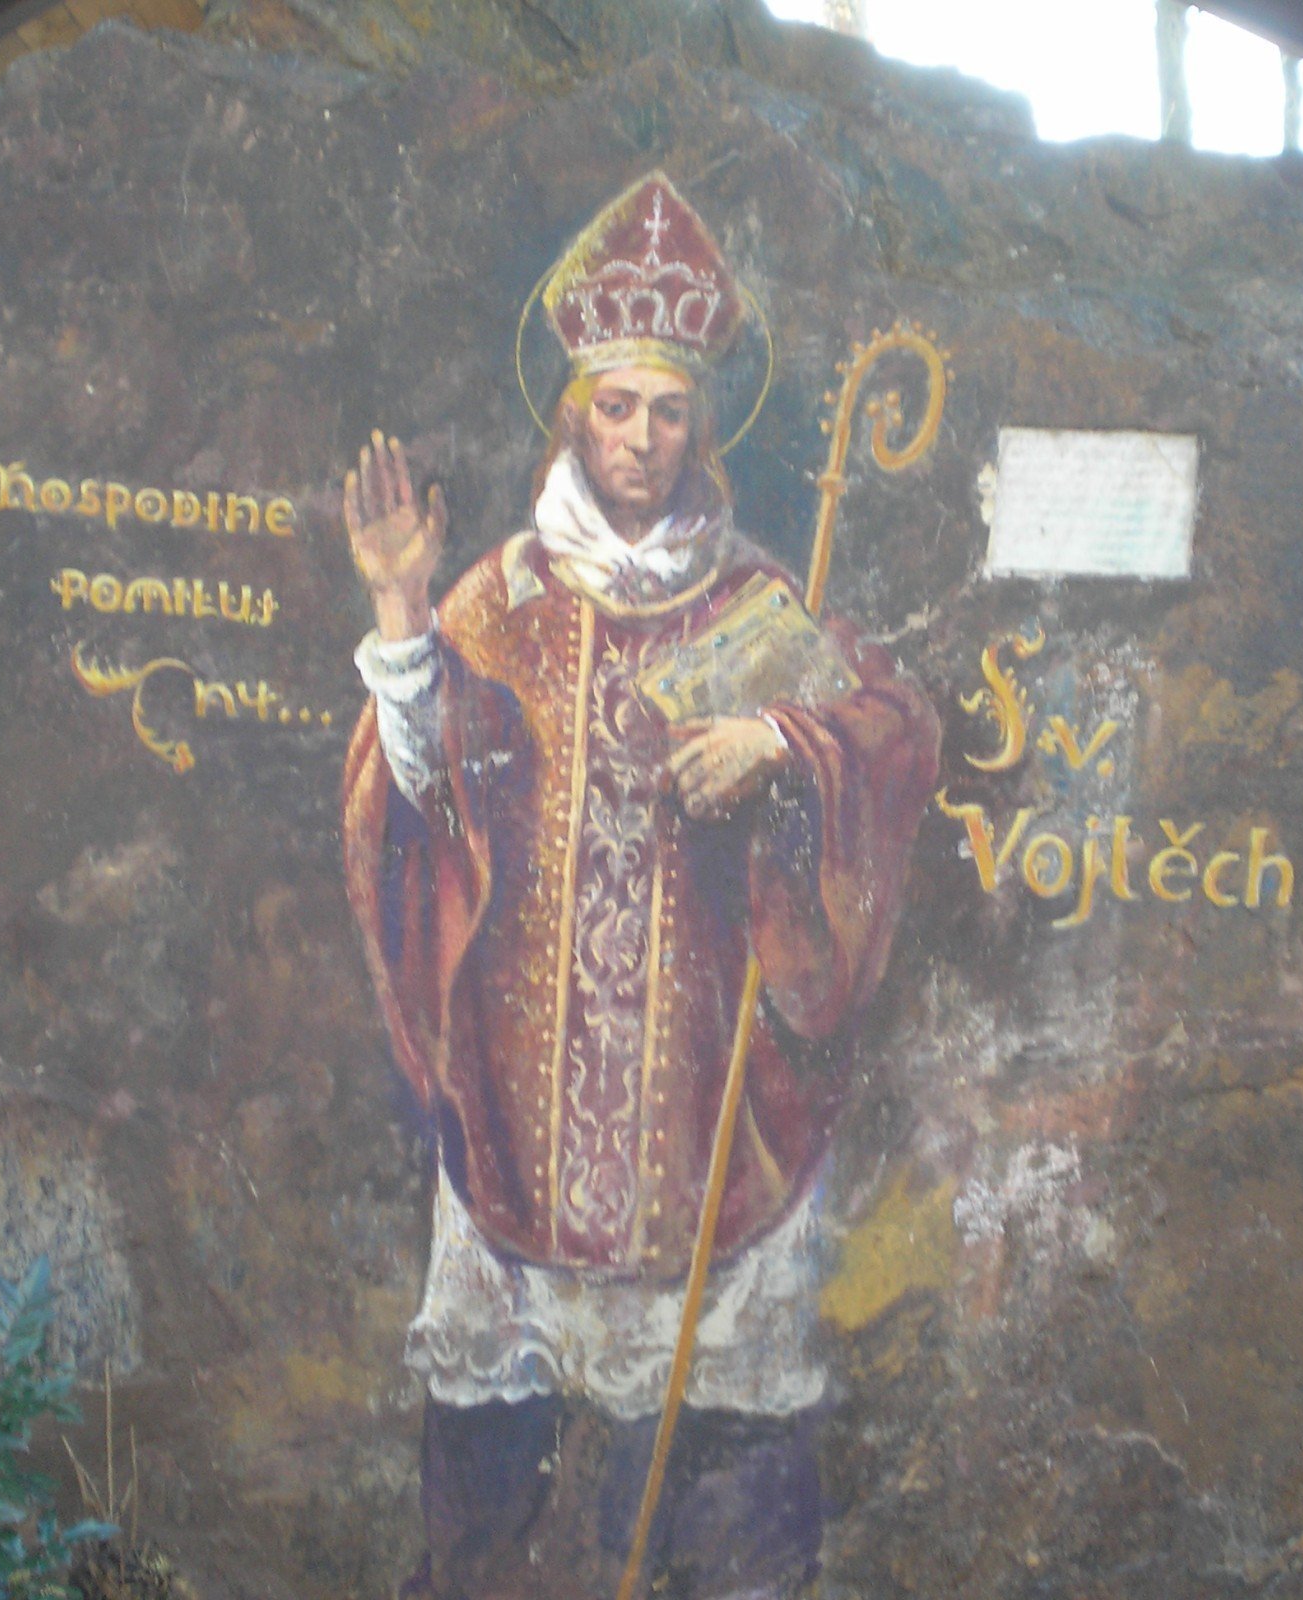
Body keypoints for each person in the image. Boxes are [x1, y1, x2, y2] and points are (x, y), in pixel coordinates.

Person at [340, 173, 940, 1600]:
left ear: (701, 424)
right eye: (615, 408)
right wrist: (399, 614)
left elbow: (896, 731)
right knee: (493, 1453)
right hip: (520, 1092)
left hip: (700, 1103)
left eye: (668, 411)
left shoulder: (747, 603)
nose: (640, 441)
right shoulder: (493, 598)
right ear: (571, 413)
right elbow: (410, 798)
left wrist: (782, 739)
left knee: (724, 1455)